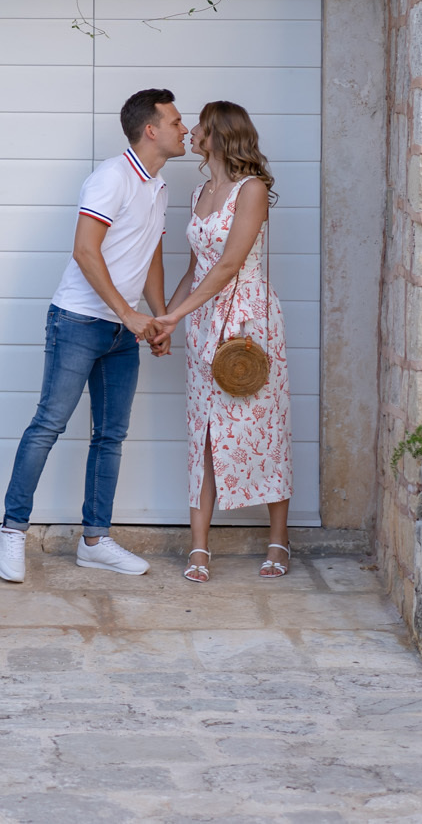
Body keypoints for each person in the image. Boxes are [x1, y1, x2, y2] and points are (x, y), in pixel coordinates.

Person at [0, 88, 186, 584]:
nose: (184, 130)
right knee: (48, 425)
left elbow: (150, 257)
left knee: (111, 436)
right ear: (151, 129)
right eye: (177, 122)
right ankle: (12, 531)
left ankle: (95, 541)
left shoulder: (158, 187)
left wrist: (159, 318)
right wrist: (128, 313)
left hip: (124, 332)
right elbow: (85, 251)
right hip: (78, 322)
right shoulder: (111, 178)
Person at [154, 100, 293, 582]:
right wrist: (167, 321)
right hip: (204, 317)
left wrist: (176, 314)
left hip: (248, 317)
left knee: (263, 424)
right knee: (206, 432)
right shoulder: (200, 192)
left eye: (199, 125)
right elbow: (196, 269)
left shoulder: (251, 190)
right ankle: (200, 548)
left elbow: (230, 264)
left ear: (218, 134)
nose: (189, 130)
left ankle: (279, 540)